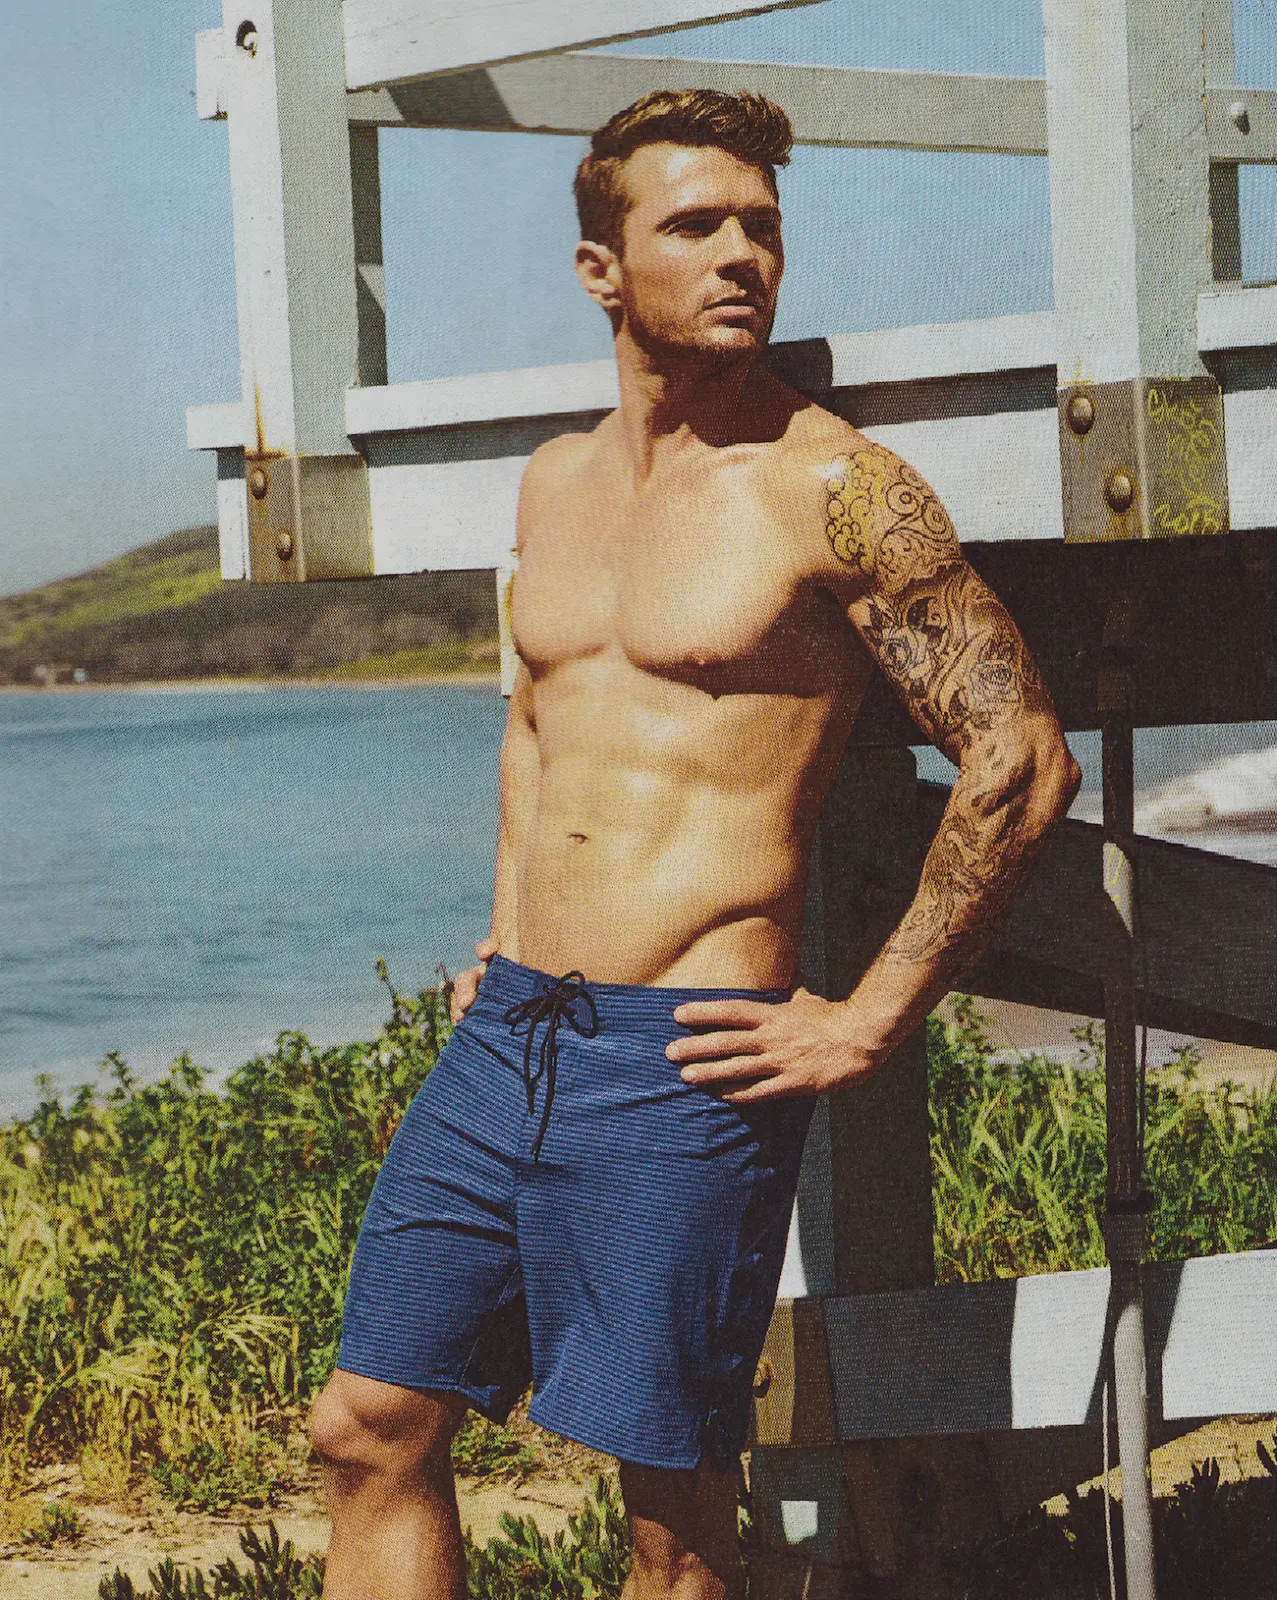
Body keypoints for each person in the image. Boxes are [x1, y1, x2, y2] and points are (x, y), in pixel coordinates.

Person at [309, 88, 1081, 1600]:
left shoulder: (835, 488)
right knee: (368, 1424)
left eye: (762, 228)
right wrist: (500, 926)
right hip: (512, 1029)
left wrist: (868, 1020)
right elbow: (536, 720)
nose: (742, 256)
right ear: (602, 270)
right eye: (696, 226)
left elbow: (1020, 757)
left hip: (686, 1052)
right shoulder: (555, 479)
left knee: (670, 1525)